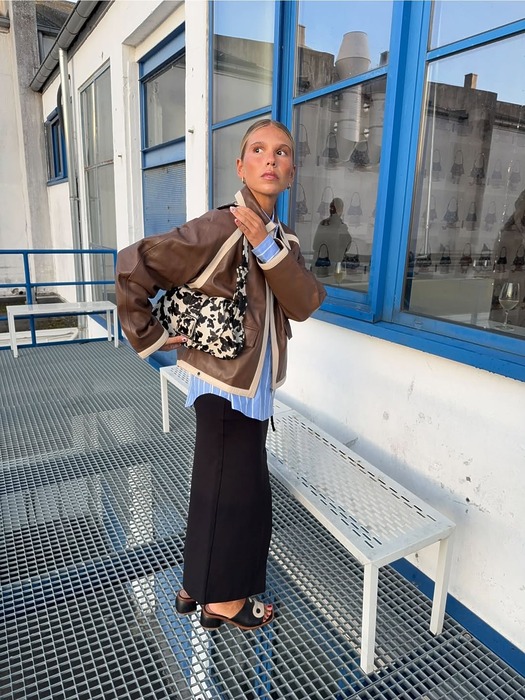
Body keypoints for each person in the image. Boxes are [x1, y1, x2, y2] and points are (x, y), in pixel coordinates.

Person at [115, 119, 326, 632]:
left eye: (282, 152)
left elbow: (304, 303)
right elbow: (134, 263)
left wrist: (267, 247)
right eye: (259, 150)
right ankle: (225, 602)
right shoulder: (220, 226)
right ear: (240, 166)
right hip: (224, 384)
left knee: (219, 487)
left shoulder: (282, 241)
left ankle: (197, 585)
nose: (270, 159)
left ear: (292, 172)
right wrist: (150, 335)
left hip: (248, 386)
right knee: (238, 495)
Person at [312, 198, 351, 273]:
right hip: (327, 263)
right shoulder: (337, 226)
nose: (333, 210)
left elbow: (315, 246)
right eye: (332, 208)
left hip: (330, 264)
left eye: (334, 208)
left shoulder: (326, 224)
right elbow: (347, 246)